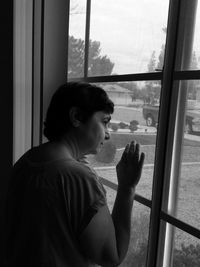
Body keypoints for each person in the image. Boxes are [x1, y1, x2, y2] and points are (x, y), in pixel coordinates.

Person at [3, 82, 145, 267]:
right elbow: (111, 256)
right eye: (104, 121)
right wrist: (127, 188)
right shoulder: (78, 178)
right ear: (76, 117)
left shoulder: (27, 161)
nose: (108, 134)